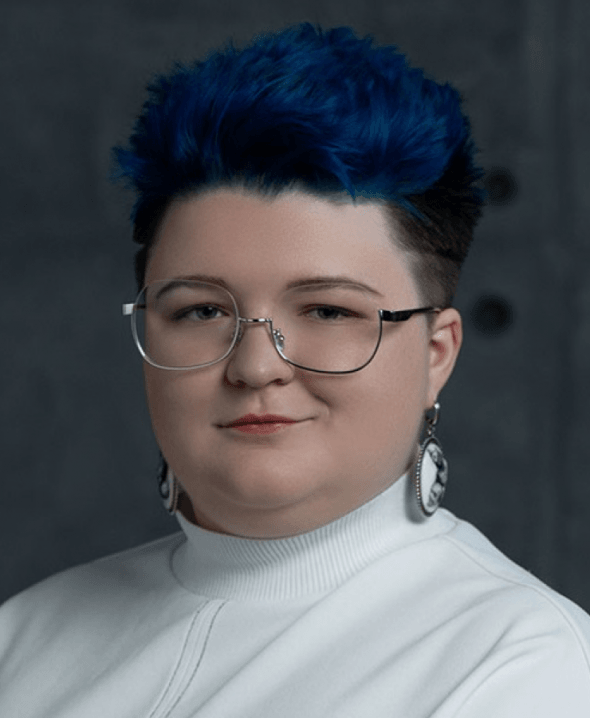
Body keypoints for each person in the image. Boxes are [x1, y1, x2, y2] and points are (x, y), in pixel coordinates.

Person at [1, 22, 589, 717]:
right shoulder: (23, 639)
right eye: (200, 310)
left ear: (437, 354)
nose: (255, 366)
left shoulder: (520, 668)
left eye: (328, 311)